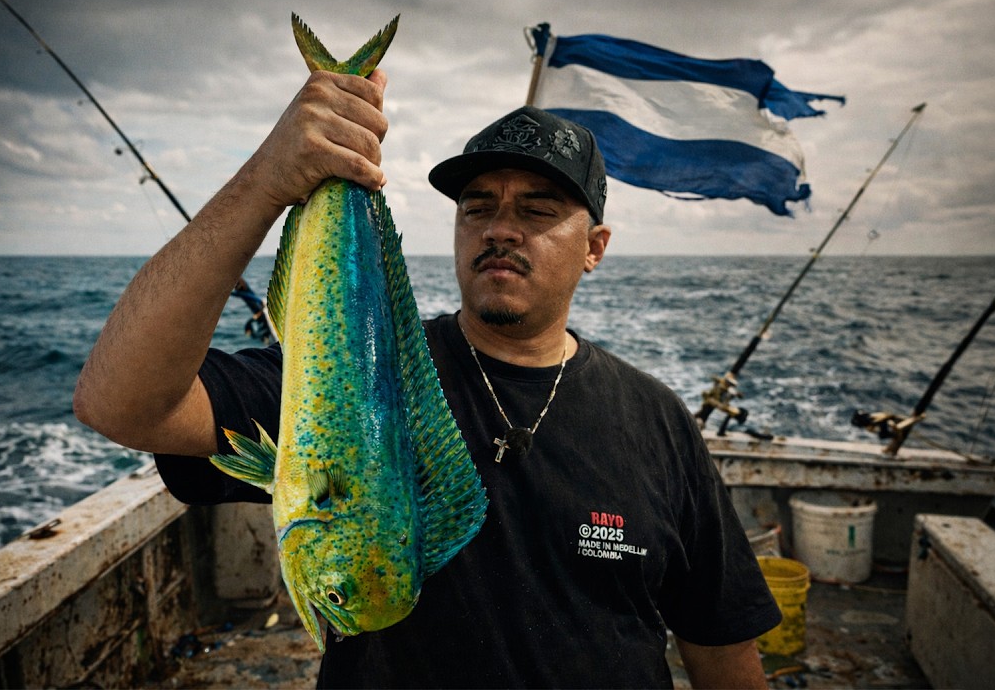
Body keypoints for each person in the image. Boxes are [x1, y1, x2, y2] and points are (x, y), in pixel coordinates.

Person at [74, 67, 780, 689]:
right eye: (479, 207)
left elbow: (719, 636)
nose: (501, 228)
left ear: (593, 247)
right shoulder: (351, 376)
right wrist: (264, 182)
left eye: (537, 209)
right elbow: (121, 405)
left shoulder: (656, 418)